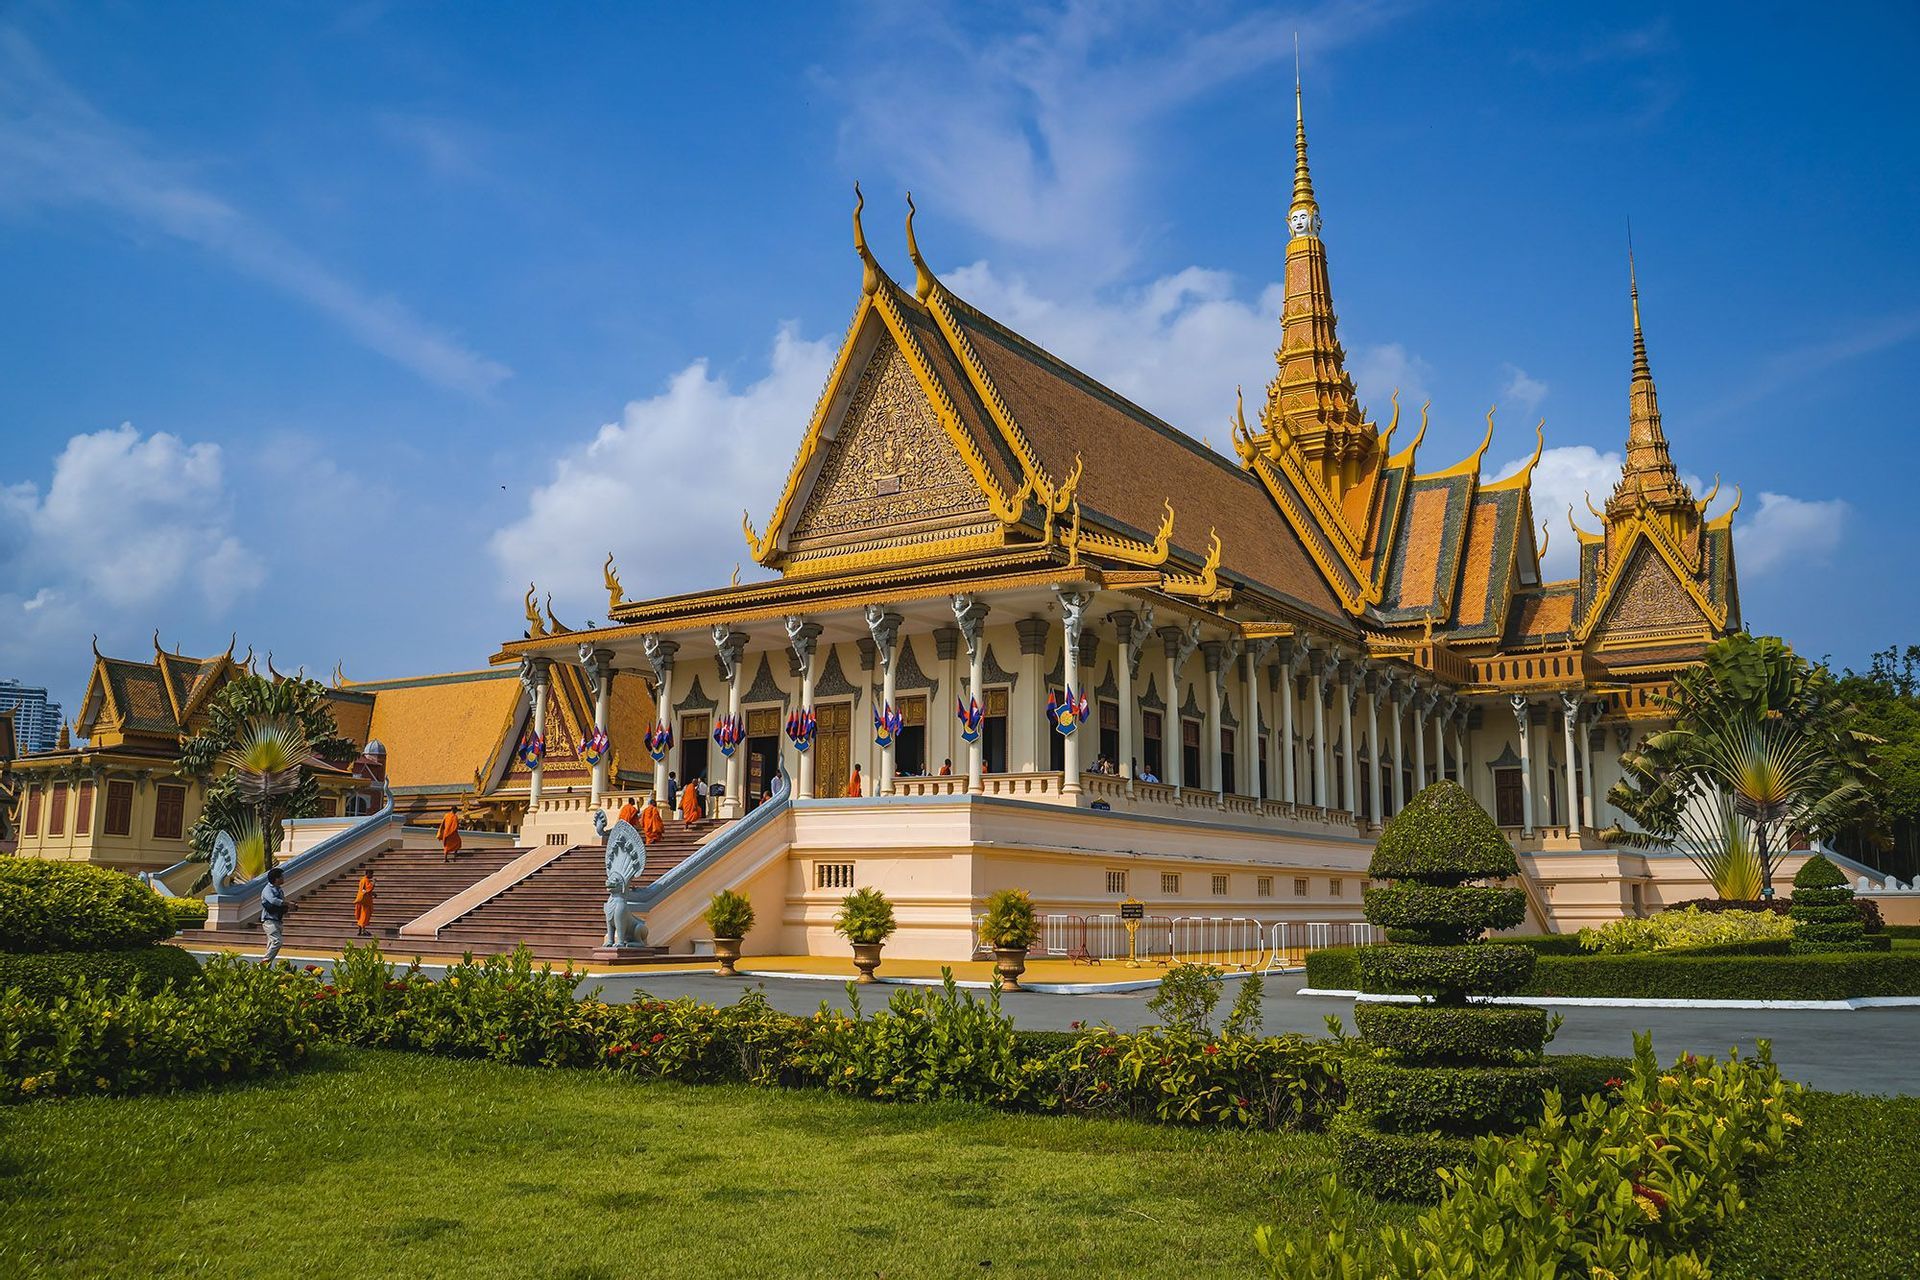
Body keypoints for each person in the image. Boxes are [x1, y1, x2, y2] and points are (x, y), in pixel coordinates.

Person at [261, 867, 289, 963]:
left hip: (277, 919)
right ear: (276, 879)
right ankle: (265, 962)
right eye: (281, 877)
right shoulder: (268, 889)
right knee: (277, 942)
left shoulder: (279, 890)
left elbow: (282, 902)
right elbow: (272, 900)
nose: (283, 878)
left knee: (271, 943)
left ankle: (265, 968)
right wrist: (286, 903)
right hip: (269, 920)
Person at [353, 870, 375, 937]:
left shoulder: (362, 880)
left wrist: (373, 894)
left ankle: (360, 930)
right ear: (367, 874)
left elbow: (364, 890)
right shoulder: (366, 880)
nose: (372, 875)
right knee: (364, 916)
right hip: (364, 902)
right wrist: (373, 883)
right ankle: (363, 930)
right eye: (371, 874)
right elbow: (368, 889)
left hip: (361, 900)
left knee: (360, 916)